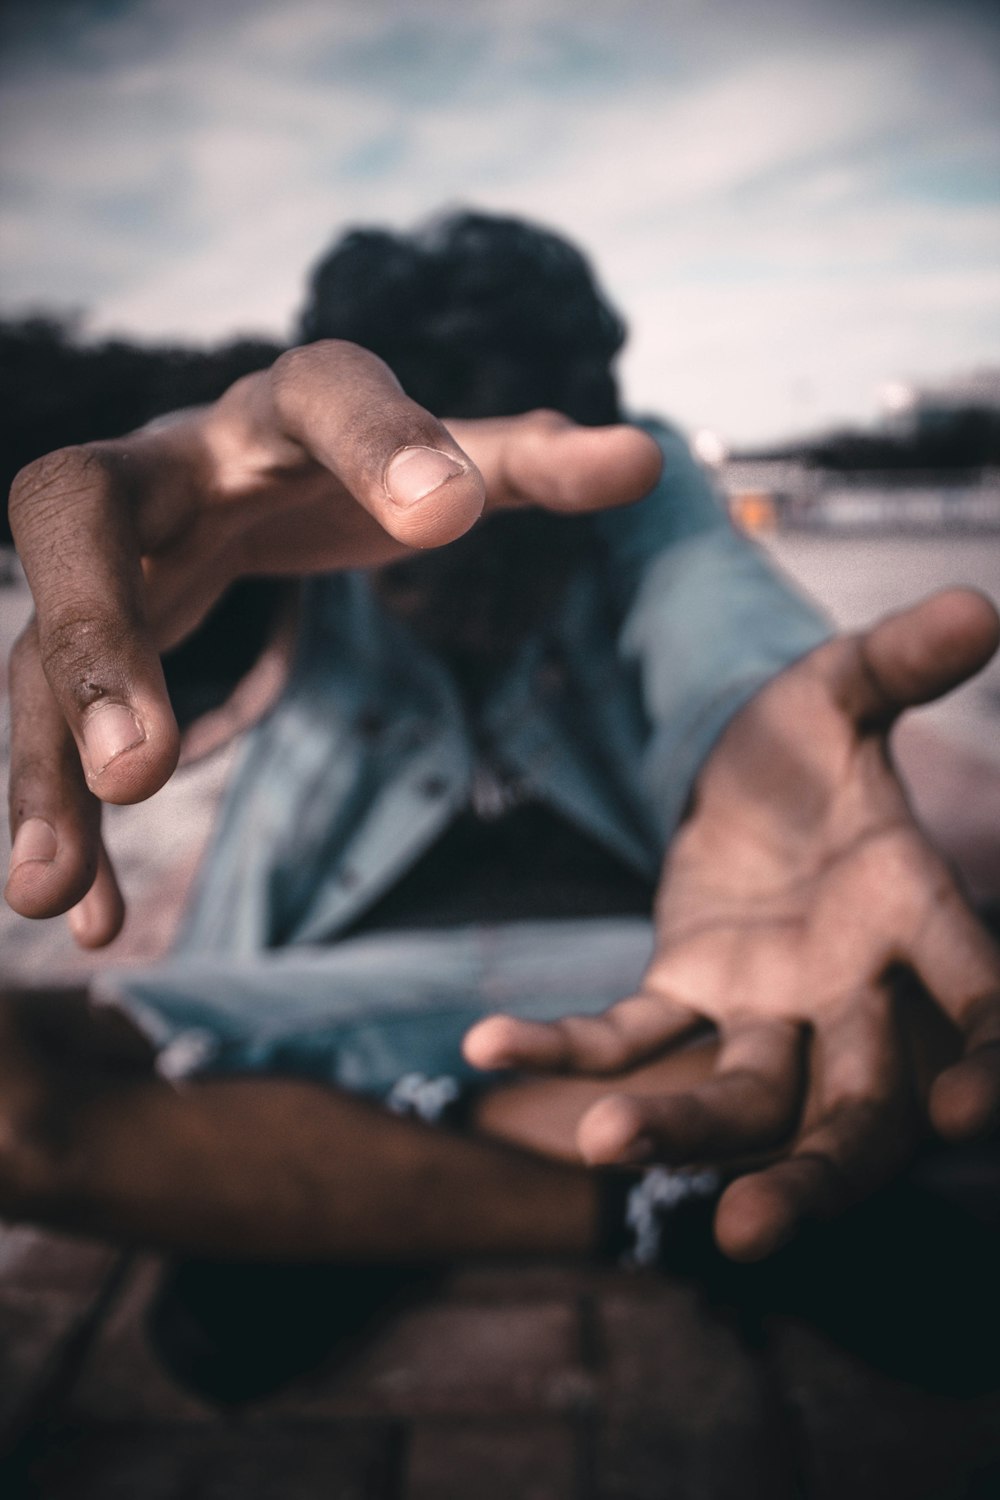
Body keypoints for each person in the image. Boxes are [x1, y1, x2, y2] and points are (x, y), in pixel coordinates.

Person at [2, 214, 998, 1388]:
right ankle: (647, 1206)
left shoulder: (641, 479)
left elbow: (720, 626)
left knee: (877, 982)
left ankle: (351, 1184)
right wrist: (178, 516)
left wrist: (771, 734)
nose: (454, 588)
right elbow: (187, 643)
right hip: (329, 957)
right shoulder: (290, 522)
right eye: (412, 553)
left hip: (623, 959)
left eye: (504, 544)